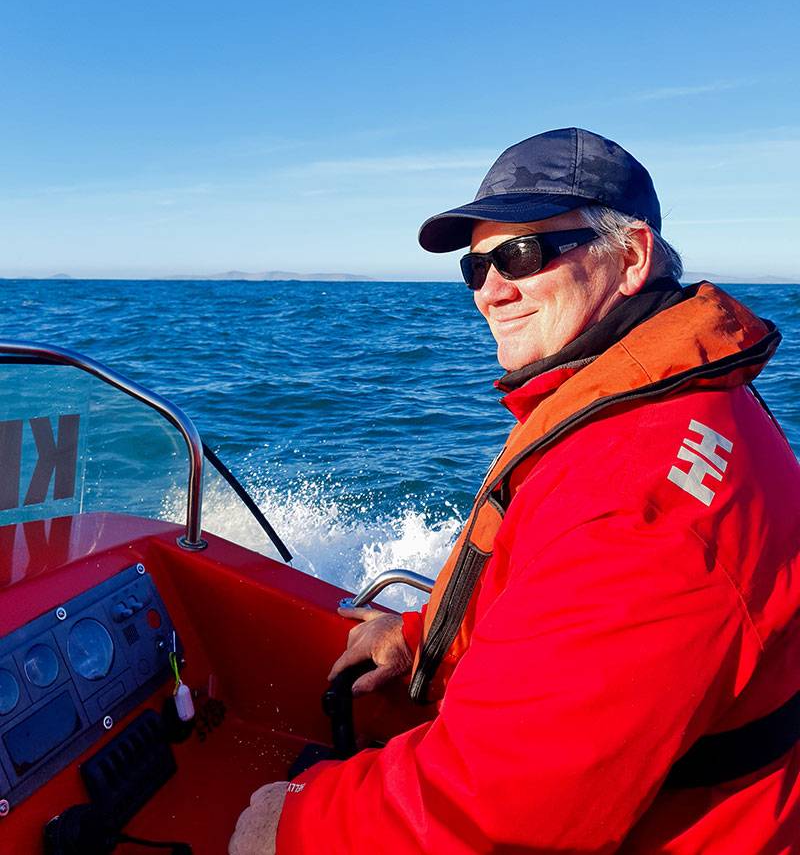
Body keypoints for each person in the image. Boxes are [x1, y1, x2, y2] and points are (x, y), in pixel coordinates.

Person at [230, 128, 800, 854]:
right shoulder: (664, 402)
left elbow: (501, 811)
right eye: (476, 267)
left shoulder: (641, 508)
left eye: (522, 255)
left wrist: (298, 823)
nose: (492, 290)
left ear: (630, 257)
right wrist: (421, 635)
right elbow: (546, 586)